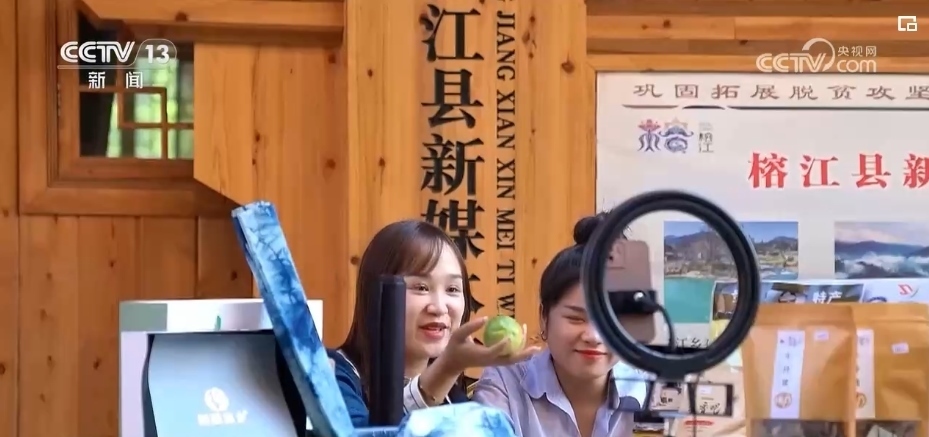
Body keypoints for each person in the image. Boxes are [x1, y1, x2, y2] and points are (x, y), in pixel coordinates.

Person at [329, 220, 540, 427]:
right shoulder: (331, 373)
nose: (439, 307)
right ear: (378, 292)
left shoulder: (453, 399)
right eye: (421, 287)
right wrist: (446, 369)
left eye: (452, 289)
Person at [473, 214, 639, 437]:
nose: (594, 336)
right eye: (576, 318)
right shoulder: (505, 384)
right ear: (544, 317)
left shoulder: (653, 392)